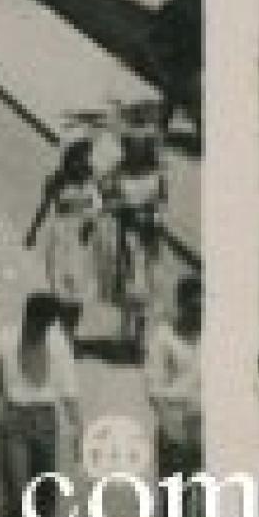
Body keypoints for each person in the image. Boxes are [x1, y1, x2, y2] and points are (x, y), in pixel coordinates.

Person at [0, 292, 82, 517]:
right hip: (14, 423)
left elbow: (69, 390)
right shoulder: (2, 342)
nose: (43, 331)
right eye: (39, 325)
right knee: (17, 495)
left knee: (45, 496)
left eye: (48, 325)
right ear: (28, 318)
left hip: (46, 423)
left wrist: (79, 431)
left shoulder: (58, 344)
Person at [24, 138, 103, 347]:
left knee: (79, 291)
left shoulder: (93, 182)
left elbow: (100, 209)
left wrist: (92, 222)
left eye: (85, 157)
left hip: (85, 242)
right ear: (69, 158)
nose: (82, 162)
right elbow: (43, 208)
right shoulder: (56, 181)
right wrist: (32, 232)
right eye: (78, 157)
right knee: (60, 289)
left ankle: (69, 335)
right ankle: (56, 333)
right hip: (61, 240)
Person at [104, 121, 167, 359]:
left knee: (147, 285)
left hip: (149, 236)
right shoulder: (119, 172)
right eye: (131, 146)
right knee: (129, 283)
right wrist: (122, 208)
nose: (135, 150)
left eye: (141, 146)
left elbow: (162, 203)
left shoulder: (157, 174)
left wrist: (154, 217)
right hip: (127, 234)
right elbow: (107, 201)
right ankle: (125, 334)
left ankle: (139, 339)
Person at [146, 276, 203, 517]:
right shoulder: (163, 337)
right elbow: (154, 389)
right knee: (175, 512)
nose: (199, 314)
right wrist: (170, 427)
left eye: (202, 308)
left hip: (206, 424)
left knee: (205, 514)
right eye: (193, 308)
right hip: (176, 422)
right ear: (181, 305)